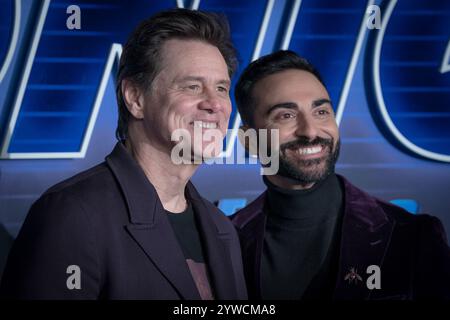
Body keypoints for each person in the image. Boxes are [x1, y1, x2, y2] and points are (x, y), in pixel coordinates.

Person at [0, 8, 247, 300]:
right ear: (135, 98)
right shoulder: (71, 216)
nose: (215, 104)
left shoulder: (222, 228)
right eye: (192, 86)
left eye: (221, 88)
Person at [231, 50, 450, 300]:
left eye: (321, 112)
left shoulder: (412, 237)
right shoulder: (224, 242)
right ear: (248, 140)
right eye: (286, 116)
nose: (310, 131)